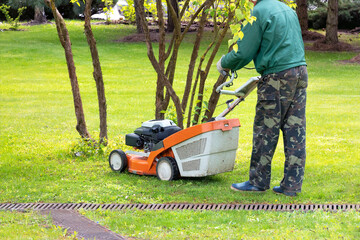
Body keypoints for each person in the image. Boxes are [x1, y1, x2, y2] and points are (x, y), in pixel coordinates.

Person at [217, 0, 308, 197]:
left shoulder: (257, 12)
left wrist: (224, 63)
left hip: (277, 76)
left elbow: (243, 52)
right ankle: (291, 185)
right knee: (295, 129)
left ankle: (258, 182)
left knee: (266, 129)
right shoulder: (286, 9)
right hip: (300, 71)